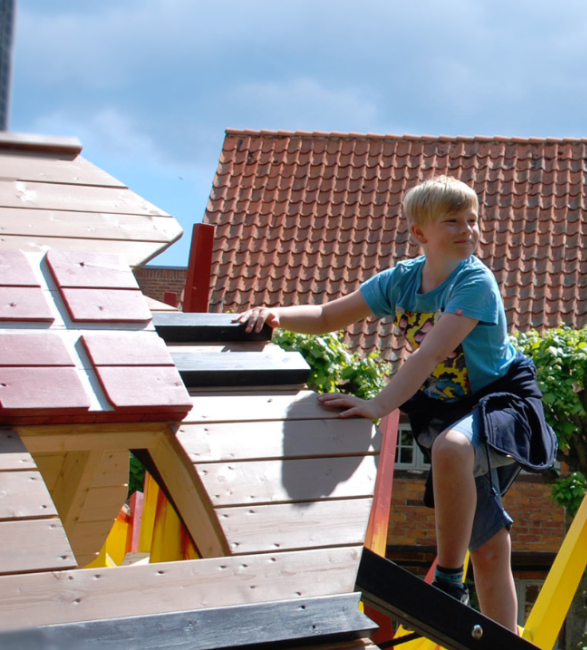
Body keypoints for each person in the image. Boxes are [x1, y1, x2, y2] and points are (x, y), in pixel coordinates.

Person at [234, 175, 555, 628]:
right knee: (485, 540)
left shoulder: (475, 282)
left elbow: (431, 352)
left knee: (451, 448)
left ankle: (447, 583)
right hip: (447, 408)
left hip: (500, 401)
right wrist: (275, 314)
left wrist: (378, 405)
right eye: (453, 221)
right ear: (421, 233)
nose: (468, 230)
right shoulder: (401, 281)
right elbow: (329, 316)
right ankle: (505, 639)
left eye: (473, 220)